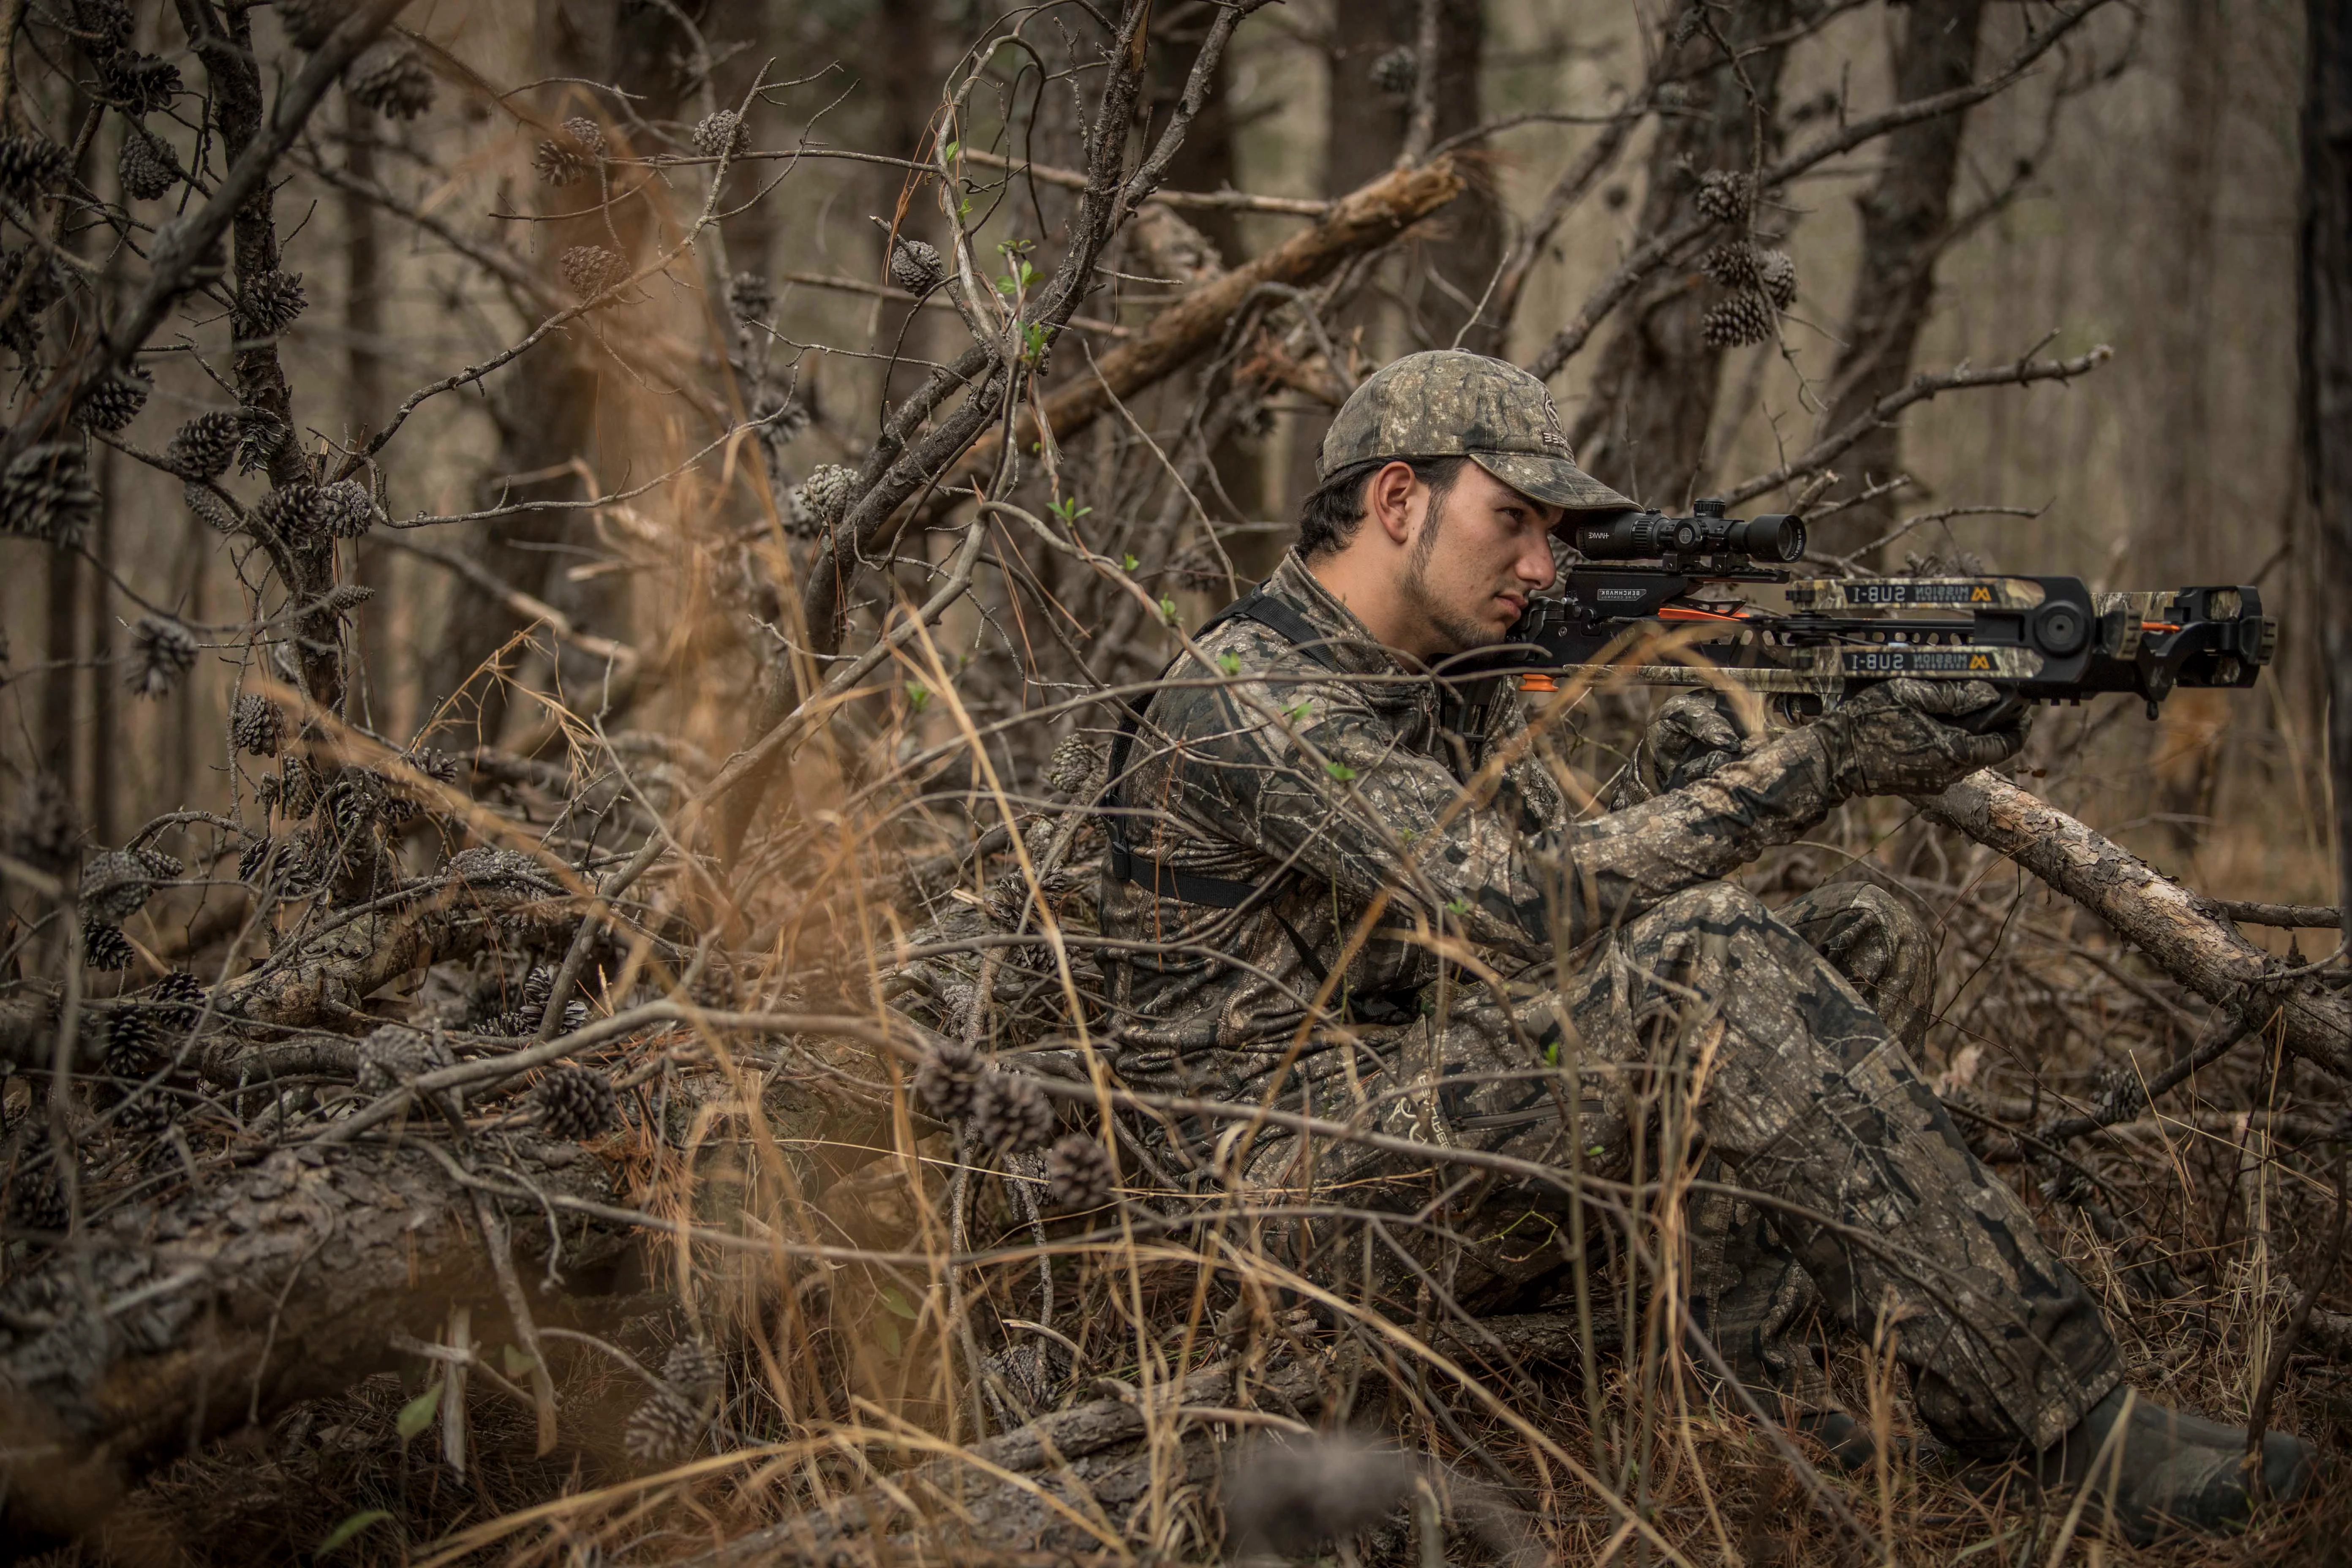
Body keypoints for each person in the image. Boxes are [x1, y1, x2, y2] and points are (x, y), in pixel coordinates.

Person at [1093, 349, 2314, 1540]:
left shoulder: (1434, 679)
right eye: (1513, 519)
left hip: (1390, 1117)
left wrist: (1718, 741)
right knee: (1708, 956)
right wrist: (1824, 764)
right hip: (1259, 1210)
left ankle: (1747, 1392)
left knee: (1857, 936)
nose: (1541, 560)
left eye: (1552, 531)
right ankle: (2072, 1421)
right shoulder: (1256, 694)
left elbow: (1553, 913)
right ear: (1396, 499)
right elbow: (1524, 908)